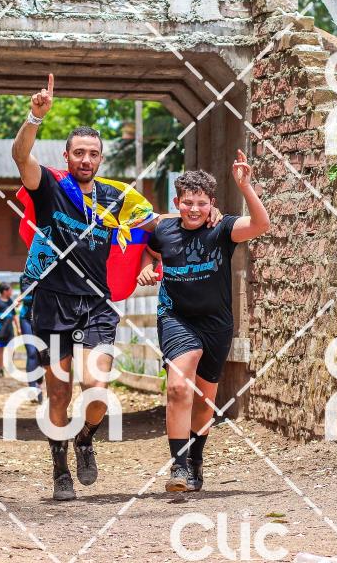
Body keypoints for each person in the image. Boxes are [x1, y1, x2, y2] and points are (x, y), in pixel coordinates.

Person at [11, 74, 221, 501]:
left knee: (97, 388)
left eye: (93, 154)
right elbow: (20, 156)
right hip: (52, 301)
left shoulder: (117, 196)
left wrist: (205, 214)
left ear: (101, 159)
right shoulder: (50, 187)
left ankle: (85, 438)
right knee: (58, 390)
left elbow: (156, 225)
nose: (86, 159)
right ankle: (60, 470)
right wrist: (35, 117)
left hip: (97, 302)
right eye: (79, 152)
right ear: (66, 155)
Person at [137, 150, 270, 492]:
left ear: (212, 204)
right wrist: (147, 268)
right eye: (187, 202)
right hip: (175, 317)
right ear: (176, 202)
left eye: (201, 203)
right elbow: (146, 247)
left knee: (204, 398)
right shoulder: (163, 230)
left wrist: (245, 186)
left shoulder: (222, 229)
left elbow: (261, 225)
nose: (193, 209)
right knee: (179, 386)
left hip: (216, 324)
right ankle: (178, 467)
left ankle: (195, 460)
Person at [18, 273, 43, 404]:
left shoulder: (48, 275)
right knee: (32, 352)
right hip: (26, 318)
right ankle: (33, 388)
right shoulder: (24, 277)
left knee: (42, 352)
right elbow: (26, 296)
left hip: (43, 318)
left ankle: (39, 382)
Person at [0, 282, 21, 378]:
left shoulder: (10, 302)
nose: (11, 292)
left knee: (12, 349)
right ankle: (0, 369)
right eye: (10, 290)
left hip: (9, 329)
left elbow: (14, 315)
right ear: (5, 291)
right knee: (0, 350)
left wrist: (18, 327)